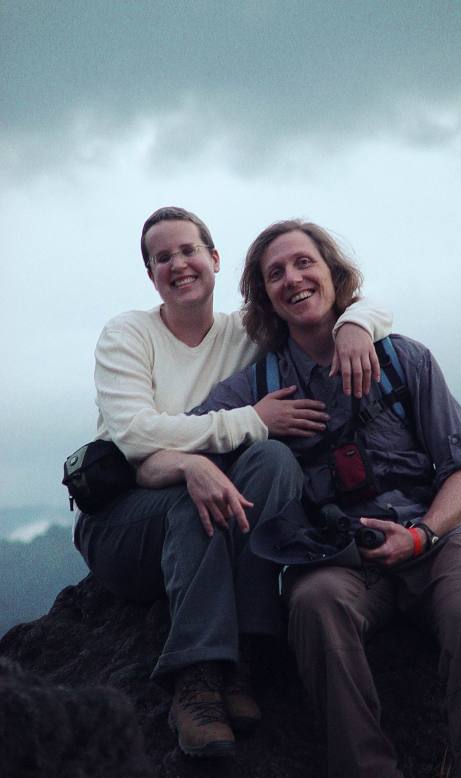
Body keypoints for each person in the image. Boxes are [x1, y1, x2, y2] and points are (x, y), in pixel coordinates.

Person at [138, 219, 461, 777]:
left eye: (303, 263)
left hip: (433, 540)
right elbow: (154, 458)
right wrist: (193, 463)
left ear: (332, 273)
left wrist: (424, 533)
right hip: (337, 555)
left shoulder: (402, 360)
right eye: (275, 274)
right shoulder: (259, 384)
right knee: (315, 607)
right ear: (264, 295)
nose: (292, 279)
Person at [73, 207, 393, 758]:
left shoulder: (245, 333)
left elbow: (343, 300)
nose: (179, 264)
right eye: (163, 257)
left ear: (215, 260)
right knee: (193, 499)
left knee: (272, 461)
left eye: (189, 250)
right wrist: (242, 427)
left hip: (213, 512)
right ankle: (196, 681)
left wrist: (356, 326)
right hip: (124, 522)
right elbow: (135, 435)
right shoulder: (128, 334)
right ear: (151, 274)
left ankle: (244, 655)